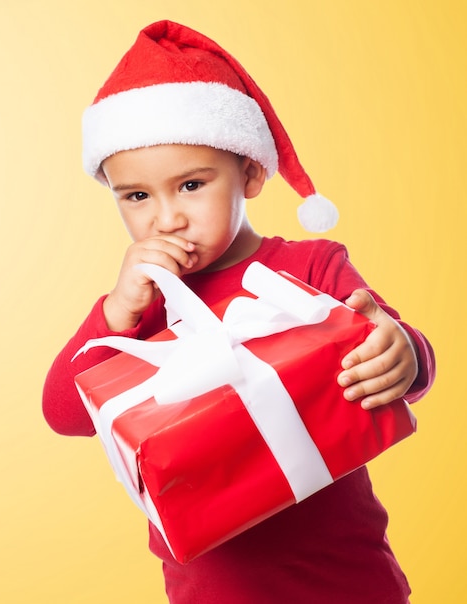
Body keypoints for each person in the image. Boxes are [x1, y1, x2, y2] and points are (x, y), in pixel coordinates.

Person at [42, 20, 435, 604]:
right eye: (137, 196)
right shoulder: (142, 310)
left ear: (250, 172)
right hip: (212, 591)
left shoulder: (310, 267)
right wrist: (117, 311)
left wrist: (401, 348)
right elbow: (65, 412)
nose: (166, 218)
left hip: (348, 580)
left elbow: (400, 354)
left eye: (192, 185)